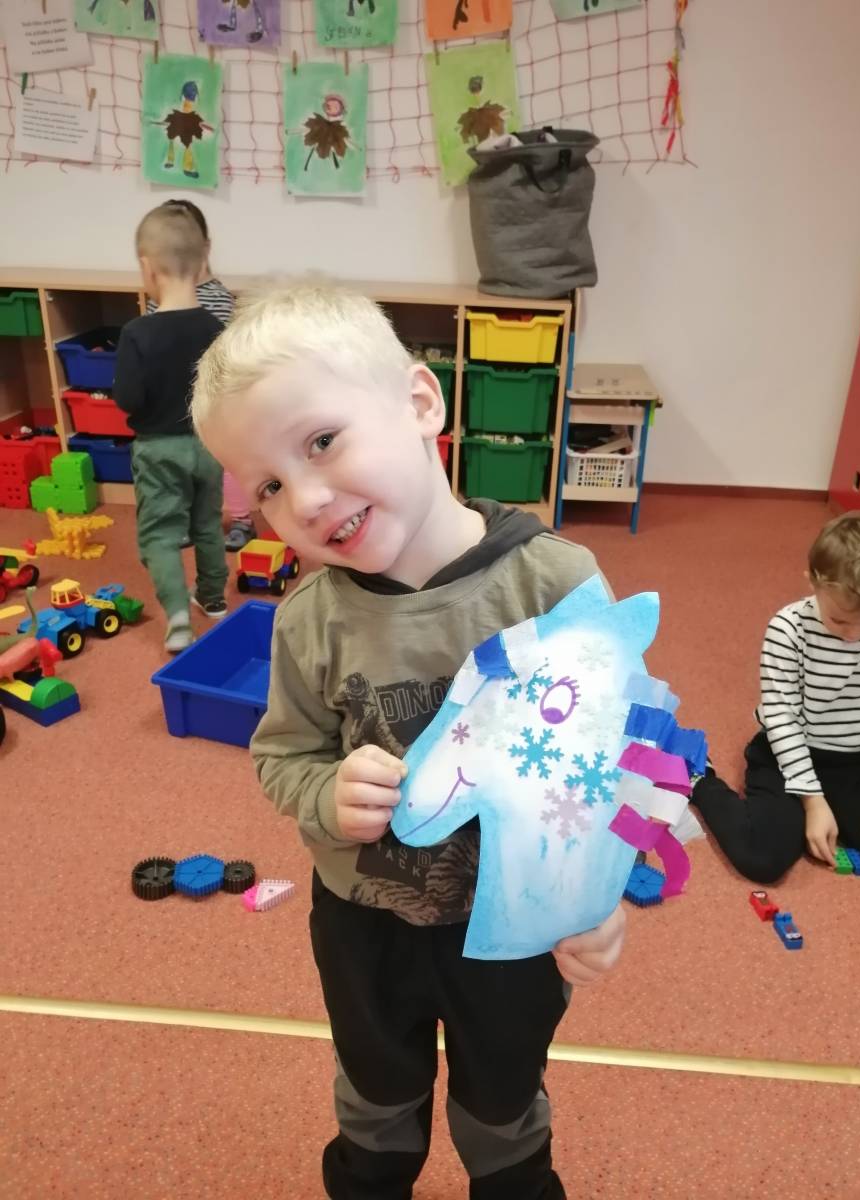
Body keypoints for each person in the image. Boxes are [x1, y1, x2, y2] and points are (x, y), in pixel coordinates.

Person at [191, 283, 626, 1200]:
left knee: (503, 1101)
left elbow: (603, 767)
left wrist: (593, 895)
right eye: (269, 486)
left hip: (511, 929)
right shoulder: (308, 619)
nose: (306, 500)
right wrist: (325, 793)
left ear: (422, 403)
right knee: (376, 1093)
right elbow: (282, 754)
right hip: (364, 922)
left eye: (321, 441)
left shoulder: (556, 583)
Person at [692, 511, 860, 883]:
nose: (853, 636)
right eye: (839, 620)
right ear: (813, 582)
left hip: (859, 763)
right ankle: (700, 780)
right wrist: (813, 802)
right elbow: (782, 721)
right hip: (788, 753)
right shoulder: (788, 629)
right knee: (762, 856)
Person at [114, 203, 229, 653]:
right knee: (207, 523)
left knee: (159, 533)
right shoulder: (216, 326)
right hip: (208, 444)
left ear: (147, 268)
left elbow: (128, 398)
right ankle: (213, 596)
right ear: (201, 262)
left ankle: (179, 618)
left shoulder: (137, 333)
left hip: (159, 449)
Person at [146, 199, 257, 551]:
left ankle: (242, 520)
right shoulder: (157, 300)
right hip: (175, 402)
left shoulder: (217, 298)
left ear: (204, 250)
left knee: (225, 463)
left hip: (213, 398)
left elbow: (224, 353)